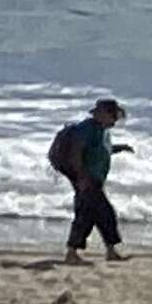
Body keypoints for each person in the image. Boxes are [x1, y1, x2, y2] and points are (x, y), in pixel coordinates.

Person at [51, 96, 126, 261]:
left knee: (95, 215)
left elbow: (99, 150)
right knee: (98, 214)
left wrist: (119, 148)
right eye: (112, 115)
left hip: (93, 179)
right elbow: (76, 152)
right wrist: (81, 177)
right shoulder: (87, 128)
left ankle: (107, 251)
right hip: (87, 179)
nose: (115, 119)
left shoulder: (102, 130)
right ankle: (74, 252)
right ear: (102, 114)